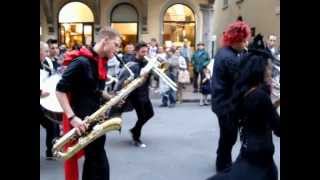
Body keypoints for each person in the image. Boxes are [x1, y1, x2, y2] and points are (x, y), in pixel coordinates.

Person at [55, 26, 121, 180]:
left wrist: (111, 98)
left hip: (95, 120)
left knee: (94, 164)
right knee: (99, 165)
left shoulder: (99, 61)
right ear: (105, 41)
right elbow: (59, 90)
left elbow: (94, 90)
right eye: (116, 45)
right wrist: (72, 118)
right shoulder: (81, 62)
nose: (117, 50)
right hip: (83, 122)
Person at [206, 47, 280, 180]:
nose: (271, 73)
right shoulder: (260, 96)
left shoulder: (246, 92)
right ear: (259, 70)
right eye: (269, 69)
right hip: (260, 158)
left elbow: (260, 114)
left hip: (248, 151)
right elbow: (278, 127)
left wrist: (274, 104)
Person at [211, 21, 251, 172]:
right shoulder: (230, 57)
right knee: (229, 136)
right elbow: (241, 79)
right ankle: (223, 165)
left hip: (222, 102)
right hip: (226, 104)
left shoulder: (226, 52)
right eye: (244, 40)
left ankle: (222, 158)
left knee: (226, 135)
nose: (246, 43)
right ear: (236, 40)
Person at [113, 42, 154, 148]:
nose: (145, 53)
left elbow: (149, 79)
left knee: (150, 114)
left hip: (144, 92)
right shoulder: (131, 63)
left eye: (146, 51)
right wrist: (141, 74)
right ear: (136, 51)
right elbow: (126, 79)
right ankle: (136, 138)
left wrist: (152, 70)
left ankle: (134, 130)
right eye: (142, 51)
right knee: (142, 116)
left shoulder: (146, 62)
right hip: (135, 94)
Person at [40, 41, 60, 160]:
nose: (48, 54)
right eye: (46, 51)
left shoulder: (45, 64)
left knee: (52, 124)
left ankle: (51, 151)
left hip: (42, 103)